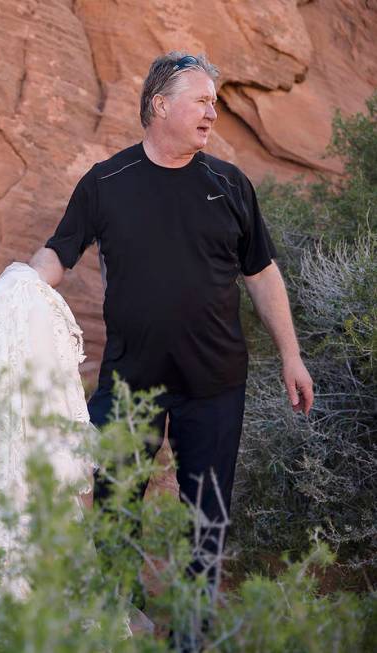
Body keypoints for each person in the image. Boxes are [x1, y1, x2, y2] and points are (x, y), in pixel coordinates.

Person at [29, 52, 314, 586]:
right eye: (202, 101)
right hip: (129, 381)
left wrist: (291, 356)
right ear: (160, 105)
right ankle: (118, 617)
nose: (212, 114)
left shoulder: (230, 184)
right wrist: (17, 285)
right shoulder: (106, 182)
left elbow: (261, 272)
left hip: (213, 384)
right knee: (113, 507)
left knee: (207, 519)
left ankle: (190, 637)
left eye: (215, 104)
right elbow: (58, 255)